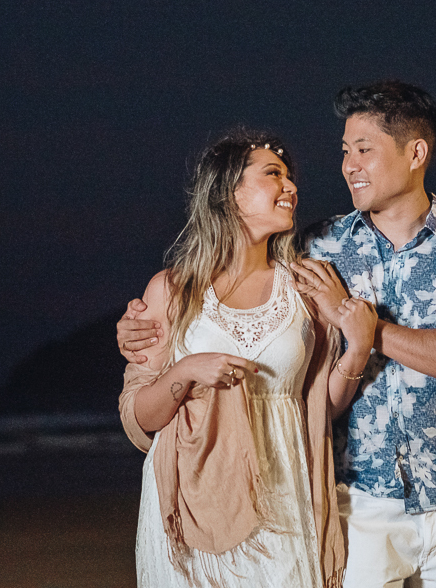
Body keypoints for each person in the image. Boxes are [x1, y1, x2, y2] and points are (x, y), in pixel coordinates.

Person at [119, 82, 436, 588]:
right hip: (359, 499)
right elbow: (222, 295)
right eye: (345, 151)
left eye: (364, 150)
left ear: (416, 153)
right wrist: (138, 329)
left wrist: (368, 333)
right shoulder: (319, 249)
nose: (349, 166)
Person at [117, 129, 365, 588]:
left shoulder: (306, 287)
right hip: (193, 500)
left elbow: (322, 406)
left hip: (285, 491)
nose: (290, 187)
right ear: (228, 193)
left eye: (290, 176)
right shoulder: (172, 290)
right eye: (273, 174)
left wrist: (359, 344)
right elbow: (140, 417)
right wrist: (186, 371)